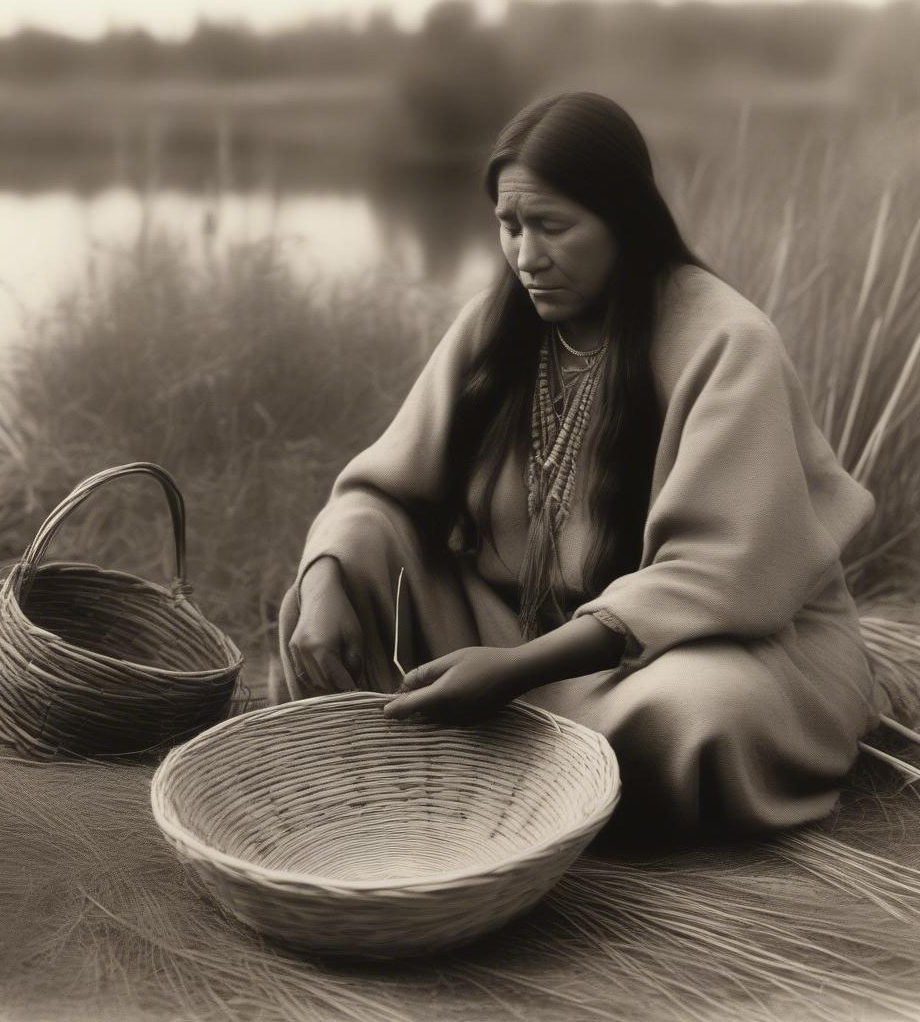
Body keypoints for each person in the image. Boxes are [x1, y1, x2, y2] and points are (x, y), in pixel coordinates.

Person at [273, 91, 888, 848]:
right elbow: (382, 490)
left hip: (684, 648)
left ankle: (505, 767)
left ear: (624, 221)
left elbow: (716, 577)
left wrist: (515, 671)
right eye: (509, 226)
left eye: (553, 227)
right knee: (343, 572)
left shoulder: (727, 343)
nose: (527, 256)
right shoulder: (496, 326)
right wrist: (329, 576)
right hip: (518, 630)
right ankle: (450, 763)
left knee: (706, 712)